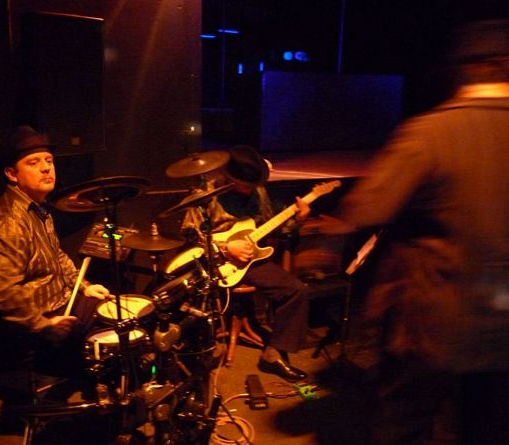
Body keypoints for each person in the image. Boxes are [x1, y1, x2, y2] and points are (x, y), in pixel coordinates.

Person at [330, 19, 509, 445]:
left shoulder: (432, 131)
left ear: (466, 70)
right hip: (502, 325)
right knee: (487, 425)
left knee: (402, 425)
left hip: (436, 322)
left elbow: (367, 207)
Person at [0, 125, 110, 378]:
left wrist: (84, 287)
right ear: (12, 174)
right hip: (33, 323)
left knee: (113, 309)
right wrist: (43, 325)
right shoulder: (8, 223)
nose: (46, 168)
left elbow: (56, 255)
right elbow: (0, 293)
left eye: (49, 160)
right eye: (33, 163)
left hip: (59, 301)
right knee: (111, 333)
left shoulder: (37, 208)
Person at [181, 144, 311, 382]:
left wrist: (298, 220)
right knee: (192, 296)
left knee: (296, 290)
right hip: (215, 262)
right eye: (244, 184)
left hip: (252, 260)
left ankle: (274, 354)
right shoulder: (206, 194)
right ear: (229, 177)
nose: (249, 189)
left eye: (252, 184)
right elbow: (189, 236)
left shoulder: (258, 191)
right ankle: (200, 355)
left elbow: (271, 226)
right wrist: (225, 248)